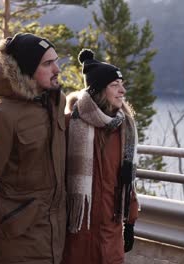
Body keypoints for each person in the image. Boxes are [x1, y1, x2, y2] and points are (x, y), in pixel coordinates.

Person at [0, 33, 67, 264]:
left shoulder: (55, 103)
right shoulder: (1, 116)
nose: (57, 69)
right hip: (18, 240)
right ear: (27, 70)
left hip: (56, 237)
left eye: (56, 61)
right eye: (47, 64)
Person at [62, 49, 140, 264]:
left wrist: (130, 222)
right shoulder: (69, 125)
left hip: (110, 234)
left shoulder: (125, 129)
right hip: (75, 233)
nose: (122, 90)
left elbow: (128, 183)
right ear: (98, 90)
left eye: (122, 84)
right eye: (115, 85)